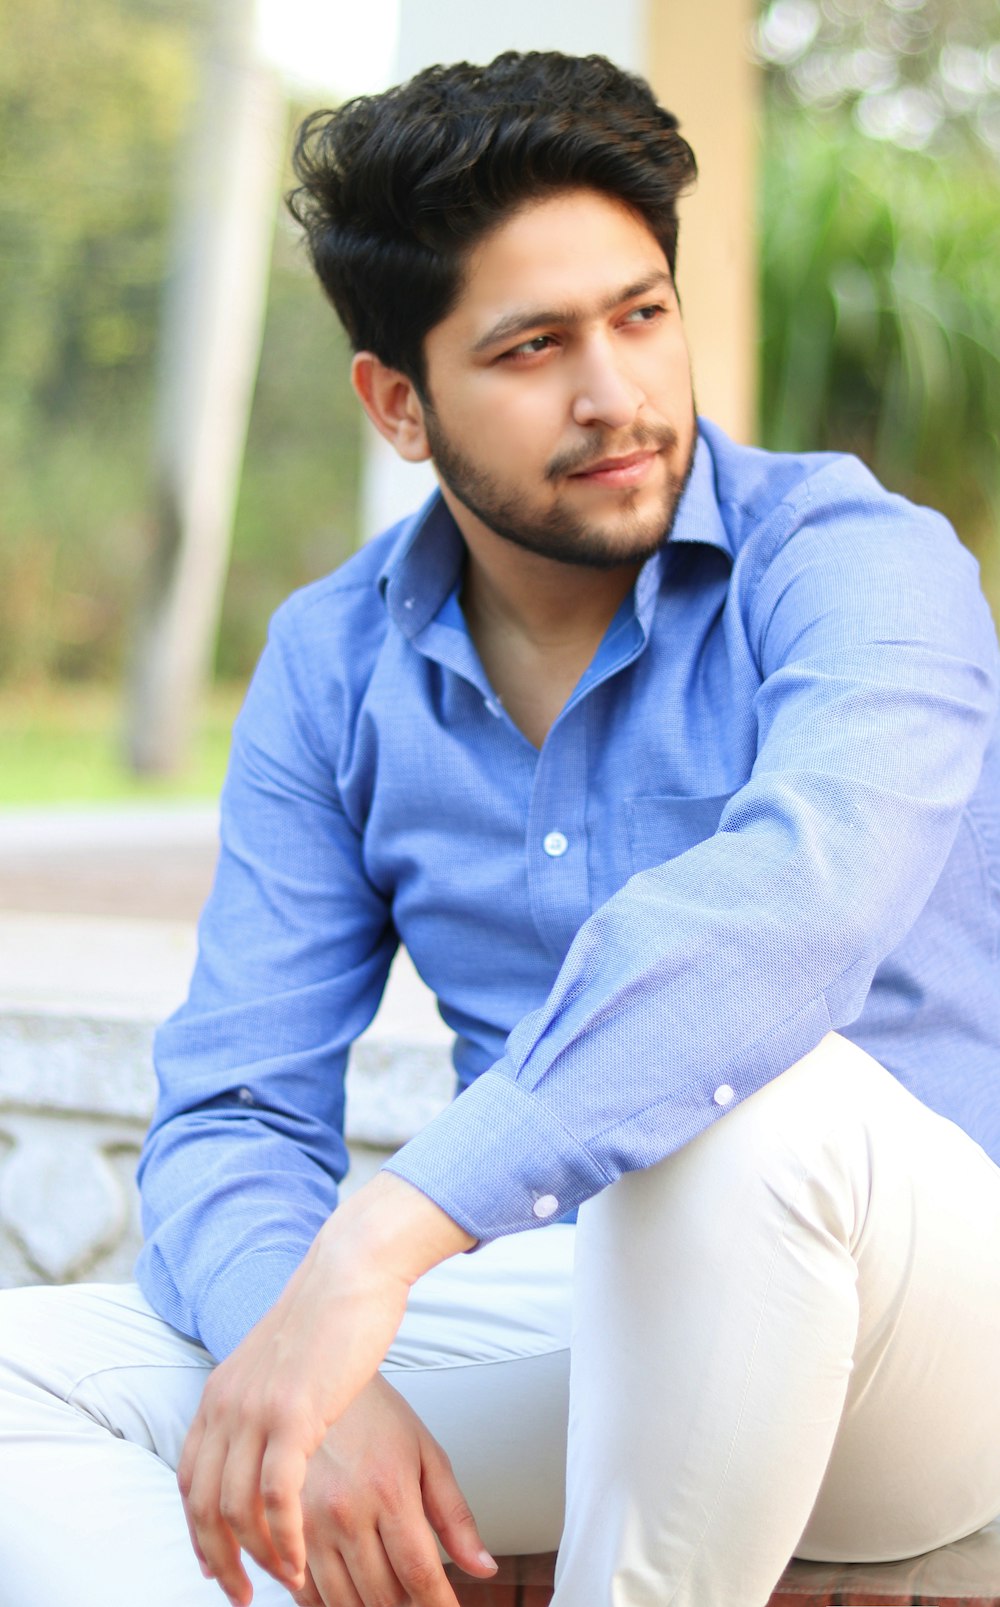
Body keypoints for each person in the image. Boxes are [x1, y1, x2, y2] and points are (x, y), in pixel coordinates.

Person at [1, 47, 999, 1607]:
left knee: (753, 1107)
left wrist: (380, 1246)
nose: (617, 394)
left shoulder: (859, 566)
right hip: (584, 1320)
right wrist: (305, 1352)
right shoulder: (333, 665)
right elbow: (237, 1107)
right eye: (535, 346)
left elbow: (792, 915)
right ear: (397, 401)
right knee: (17, 1374)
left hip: (929, 1349)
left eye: (642, 314)